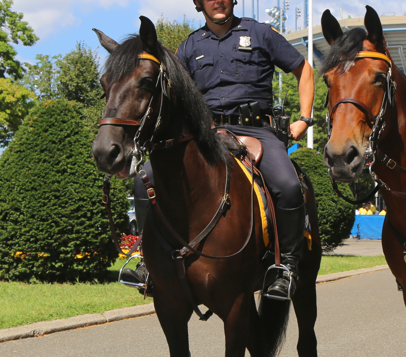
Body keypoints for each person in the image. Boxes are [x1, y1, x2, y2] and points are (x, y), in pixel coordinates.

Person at [121, 0, 316, 300]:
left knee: (289, 186)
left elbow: (303, 69)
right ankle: (148, 263)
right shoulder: (188, 47)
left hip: (257, 131)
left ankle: (286, 268)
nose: (218, 1)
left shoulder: (261, 33)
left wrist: (304, 119)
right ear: (199, 3)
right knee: (143, 178)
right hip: (206, 133)